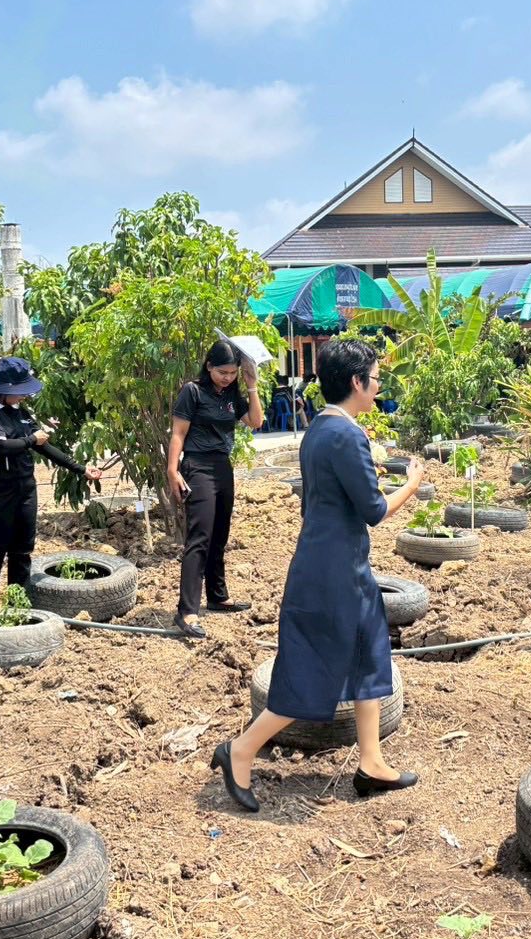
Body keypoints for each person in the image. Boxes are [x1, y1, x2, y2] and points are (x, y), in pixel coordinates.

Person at [211, 340, 423, 813]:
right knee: (313, 672)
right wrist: (410, 483)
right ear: (356, 382)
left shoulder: (320, 428)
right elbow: (372, 510)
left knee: (371, 656)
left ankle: (371, 763)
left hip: (341, 564)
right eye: (375, 375)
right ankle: (240, 750)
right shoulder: (347, 436)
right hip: (333, 574)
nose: (379, 383)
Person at [0, 357, 102, 609]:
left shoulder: (20, 412)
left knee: (22, 551)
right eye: (18, 392)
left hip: (24, 489)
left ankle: (17, 606)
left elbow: (45, 446)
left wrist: (81, 469)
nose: (23, 397)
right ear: (3, 389)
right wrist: (31, 440)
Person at [167, 339, 265, 638]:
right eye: (222, 371)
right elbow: (178, 433)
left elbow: (256, 422)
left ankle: (218, 596)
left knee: (220, 533)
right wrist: (172, 469)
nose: (227, 377)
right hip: (197, 466)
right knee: (199, 538)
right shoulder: (192, 391)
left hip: (223, 467)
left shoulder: (232, 395)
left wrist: (251, 385)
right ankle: (187, 611)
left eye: (233, 372)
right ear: (209, 366)